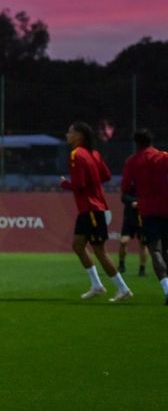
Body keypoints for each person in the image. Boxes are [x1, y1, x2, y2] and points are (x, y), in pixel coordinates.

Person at [61, 121, 132, 302]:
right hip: (92, 208)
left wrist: (65, 184)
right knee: (78, 246)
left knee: (100, 251)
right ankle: (97, 285)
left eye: (70, 132)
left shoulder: (76, 154)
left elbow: (79, 184)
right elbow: (106, 176)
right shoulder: (95, 154)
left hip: (91, 208)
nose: (67, 135)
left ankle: (122, 288)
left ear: (79, 136)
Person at [120, 129, 168, 304]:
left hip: (148, 211)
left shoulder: (132, 162)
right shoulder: (163, 156)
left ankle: (167, 289)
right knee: (167, 250)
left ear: (136, 143)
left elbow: (125, 188)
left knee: (155, 250)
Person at [118, 133, 151, 277]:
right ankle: (121, 264)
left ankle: (142, 269)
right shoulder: (129, 181)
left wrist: (143, 203)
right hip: (130, 215)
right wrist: (132, 202)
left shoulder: (149, 184)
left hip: (144, 214)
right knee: (124, 241)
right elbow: (124, 196)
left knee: (143, 243)